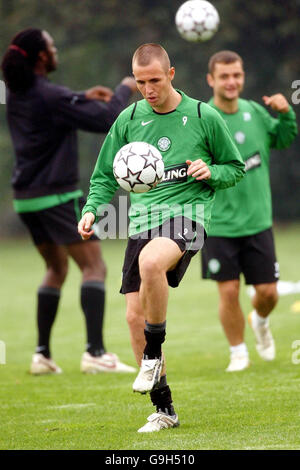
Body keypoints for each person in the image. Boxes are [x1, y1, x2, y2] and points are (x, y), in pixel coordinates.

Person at [78, 43, 245, 432]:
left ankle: (152, 354)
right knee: (134, 317)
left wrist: (210, 172)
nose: (147, 89)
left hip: (189, 217)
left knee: (151, 262)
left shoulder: (204, 116)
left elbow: (234, 167)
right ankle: (164, 409)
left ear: (170, 75)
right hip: (142, 222)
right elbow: (104, 176)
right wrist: (91, 209)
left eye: (154, 80)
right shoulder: (128, 119)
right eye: (140, 82)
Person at [1, 28, 138, 375]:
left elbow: (53, 102)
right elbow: (108, 118)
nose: (56, 48)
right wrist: (125, 87)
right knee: (95, 267)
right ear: (42, 57)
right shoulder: (51, 96)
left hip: (27, 200)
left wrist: (79, 96)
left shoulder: (19, 93)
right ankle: (95, 353)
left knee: (56, 269)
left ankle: (42, 355)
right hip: (58, 197)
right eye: (51, 45)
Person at [201, 51, 298, 372]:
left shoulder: (255, 111)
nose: (232, 82)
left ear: (243, 77)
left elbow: (283, 140)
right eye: (224, 76)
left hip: (257, 221)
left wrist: (286, 115)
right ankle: (238, 352)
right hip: (218, 224)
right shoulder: (203, 119)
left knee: (268, 293)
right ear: (211, 80)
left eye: (237, 75)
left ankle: (259, 319)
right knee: (228, 291)